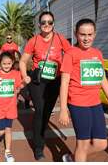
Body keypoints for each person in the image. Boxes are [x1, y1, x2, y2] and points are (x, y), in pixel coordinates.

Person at [59, 18, 108, 162]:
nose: (86, 38)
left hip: (95, 104)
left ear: (95, 34)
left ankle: (73, 158)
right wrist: (63, 109)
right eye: (82, 34)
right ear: (76, 34)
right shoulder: (70, 53)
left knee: (101, 144)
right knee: (83, 144)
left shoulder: (97, 53)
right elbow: (64, 82)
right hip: (78, 104)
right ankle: (79, 157)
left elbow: (102, 78)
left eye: (90, 34)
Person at [19, 11, 71, 160]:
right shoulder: (34, 41)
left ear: (53, 24)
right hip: (38, 82)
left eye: (49, 22)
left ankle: (40, 131)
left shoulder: (60, 39)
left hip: (55, 82)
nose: (46, 25)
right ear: (39, 25)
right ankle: (38, 146)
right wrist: (25, 77)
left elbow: (71, 54)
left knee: (46, 113)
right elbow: (22, 61)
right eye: (43, 22)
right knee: (40, 111)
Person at [0, 52, 23, 162]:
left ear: (12, 63)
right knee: (1, 131)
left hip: (11, 106)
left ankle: (8, 152)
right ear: (0, 63)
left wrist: (25, 83)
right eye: (4, 64)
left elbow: (19, 86)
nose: (7, 66)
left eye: (9, 63)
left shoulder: (16, 74)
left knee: (8, 129)